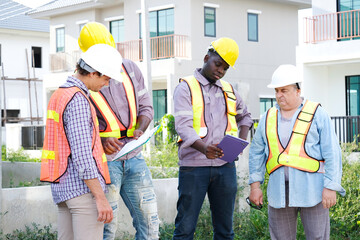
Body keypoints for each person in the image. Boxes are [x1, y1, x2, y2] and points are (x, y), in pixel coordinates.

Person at [78, 22, 159, 240]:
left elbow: (146, 106)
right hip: (104, 163)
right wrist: (102, 143)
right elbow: (79, 129)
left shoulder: (130, 68)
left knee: (150, 224)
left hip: (134, 157)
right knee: (106, 228)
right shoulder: (83, 81)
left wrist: (141, 129)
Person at [248, 64, 346, 240]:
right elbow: (256, 153)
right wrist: (255, 186)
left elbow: (332, 152)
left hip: (313, 191)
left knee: (318, 237)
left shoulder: (317, 113)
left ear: (297, 90)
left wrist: (331, 187)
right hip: (278, 194)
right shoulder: (267, 117)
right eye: (277, 90)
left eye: (284, 90)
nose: (279, 95)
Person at [172, 37, 253, 240]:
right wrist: (203, 148)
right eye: (218, 64)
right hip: (194, 168)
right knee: (185, 229)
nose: (220, 71)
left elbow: (245, 117)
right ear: (206, 58)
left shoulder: (228, 90)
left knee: (225, 231)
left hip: (225, 168)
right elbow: (183, 126)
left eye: (225, 68)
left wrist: (241, 143)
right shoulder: (185, 88)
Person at [40, 43, 123, 239]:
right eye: (106, 78)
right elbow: (83, 156)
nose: (106, 84)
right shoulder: (77, 99)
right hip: (82, 191)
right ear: (93, 73)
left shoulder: (60, 94)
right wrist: (100, 198)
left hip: (63, 189)